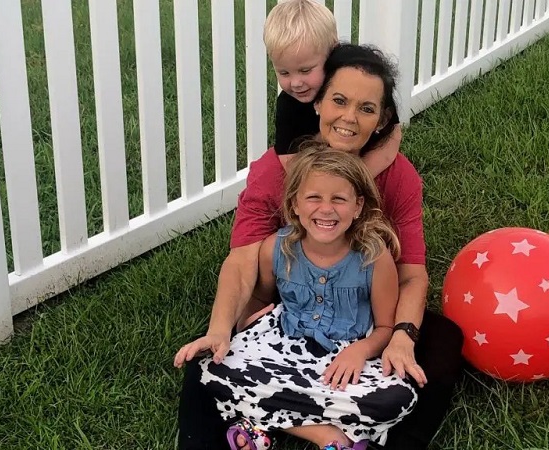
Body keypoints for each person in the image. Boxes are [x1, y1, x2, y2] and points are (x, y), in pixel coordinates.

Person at [174, 44, 464, 450]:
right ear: (317, 102)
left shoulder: (399, 177)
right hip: (289, 310)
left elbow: (412, 274)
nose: (348, 118)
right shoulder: (274, 171)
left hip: (364, 310)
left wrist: (402, 335)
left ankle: (360, 434)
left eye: (366, 109)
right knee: (207, 359)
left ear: (381, 120)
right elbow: (242, 261)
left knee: (443, 341)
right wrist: (226, 328)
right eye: (339, 101)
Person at [199, 146, 417, 450]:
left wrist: (359, 352)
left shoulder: (374, 258)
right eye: (314, 197)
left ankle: (260, 423)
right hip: (282, 346)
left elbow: (384, 328)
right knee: (213, 370)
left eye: (338, 199)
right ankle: (329, 437)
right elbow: (260, 299)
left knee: (397, 399)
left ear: (357, 206)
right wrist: (245, 325)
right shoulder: (274, 249)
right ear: (295, 204)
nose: (325, 209)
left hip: (344, 359)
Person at [264, 0, 400, 174]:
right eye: (284, 73)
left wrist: (359, 179)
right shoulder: (289, 105)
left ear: (332, 51)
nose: (296, 83)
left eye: (305, 70)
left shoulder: (359, 78)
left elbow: (392, 135)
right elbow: (291, 163)